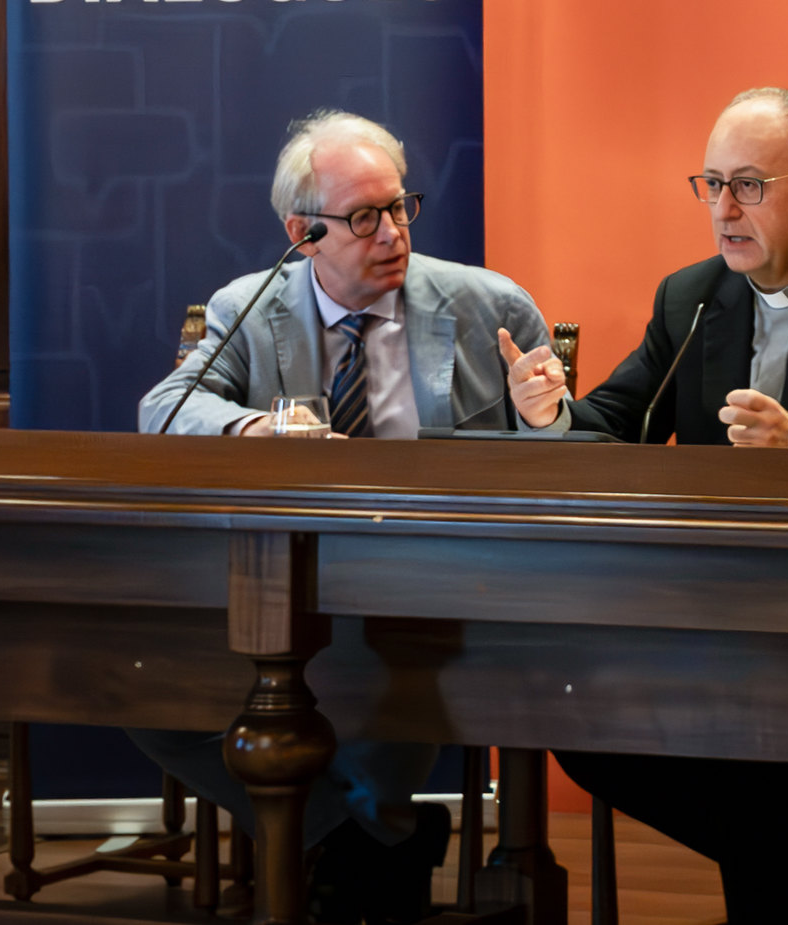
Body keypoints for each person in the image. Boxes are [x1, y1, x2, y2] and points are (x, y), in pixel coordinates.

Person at [501, 87, 788, 925]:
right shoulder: (689, 298)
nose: (723, 209)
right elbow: (616, 425)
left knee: (736, 710)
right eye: (710, 183)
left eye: (748, 185)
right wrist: (552, 415)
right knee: (576, 712)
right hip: (704, 602)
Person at [137, 109, 555, 925]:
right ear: (302, 232)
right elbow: (163, 409)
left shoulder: (486, 304)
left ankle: (355, 851)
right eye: (364, 218)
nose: (392, 232)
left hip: (436, 584)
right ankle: (364, 839)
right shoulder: (249, 307)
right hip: (285, 580)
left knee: (370, 666)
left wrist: (542, 419)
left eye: (400, 207)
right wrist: (256, 426)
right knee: (147, 692)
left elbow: (558, 456)